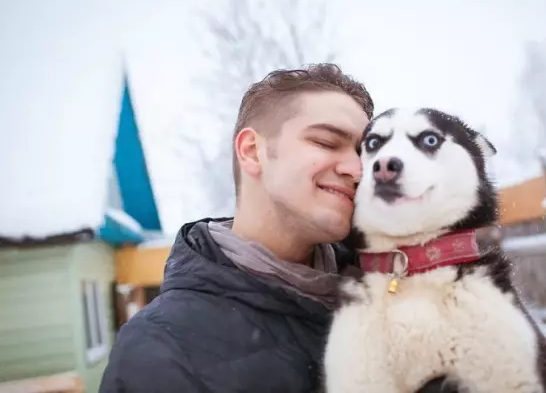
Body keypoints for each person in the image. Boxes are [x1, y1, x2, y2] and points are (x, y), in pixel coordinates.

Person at [98, 63, 374, 392]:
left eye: (365, 152)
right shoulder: (161, 350)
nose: (358, 170)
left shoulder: (396, 295)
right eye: (328, 142)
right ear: (252, 151)